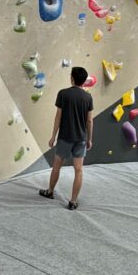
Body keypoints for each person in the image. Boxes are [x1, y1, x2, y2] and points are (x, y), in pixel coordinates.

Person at [39, 66, 94, 210]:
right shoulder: (88, 97)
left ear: (72, 78)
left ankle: (50, 192)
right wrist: (89, 139)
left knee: (57, 166)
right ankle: (73, 201)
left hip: (64, 137)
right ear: (83, 81)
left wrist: (53, 136)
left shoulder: (63, 94)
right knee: (79, 170)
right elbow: (89, 121)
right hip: (81, 139)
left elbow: (58, 116)